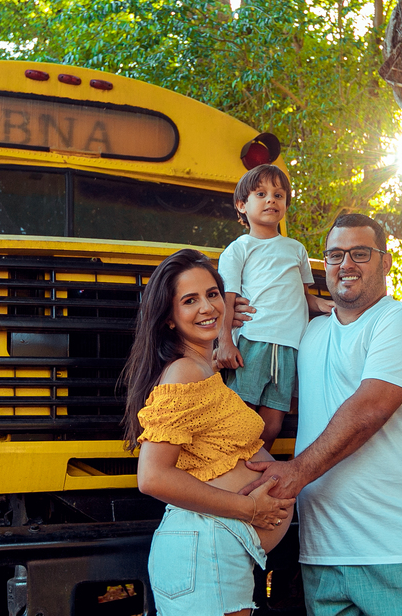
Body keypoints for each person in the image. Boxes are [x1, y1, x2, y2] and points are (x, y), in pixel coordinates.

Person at [241, 214, 402, 616]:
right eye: (336, 254)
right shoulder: (310, 334)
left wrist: (293, 473)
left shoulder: (400, 322)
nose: (346, 264)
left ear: (386, 261)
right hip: (324, 557)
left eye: (360, 253)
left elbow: (368, 411)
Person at [121, 248, 297, 616]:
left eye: (213, 294)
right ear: (169, 317)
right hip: (206, 552)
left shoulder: (204, 370)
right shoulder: (184, 371)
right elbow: (152, 476)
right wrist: (248, 507)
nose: (208, 307)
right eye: (190, 300)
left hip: (215, 552)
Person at [216, 164, 333, 447]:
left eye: (279, 195)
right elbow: (227, 299)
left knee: (272, 425)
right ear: (242, 205)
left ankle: (257, 473)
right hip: (253, 341)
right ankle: (230, 473)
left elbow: (301, 296)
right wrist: (225, 343)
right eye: (261, 193)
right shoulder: (239, 248)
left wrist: (326, 305)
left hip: (290, 346)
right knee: (241, 417)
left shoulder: (296, 249)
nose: (271, 200)